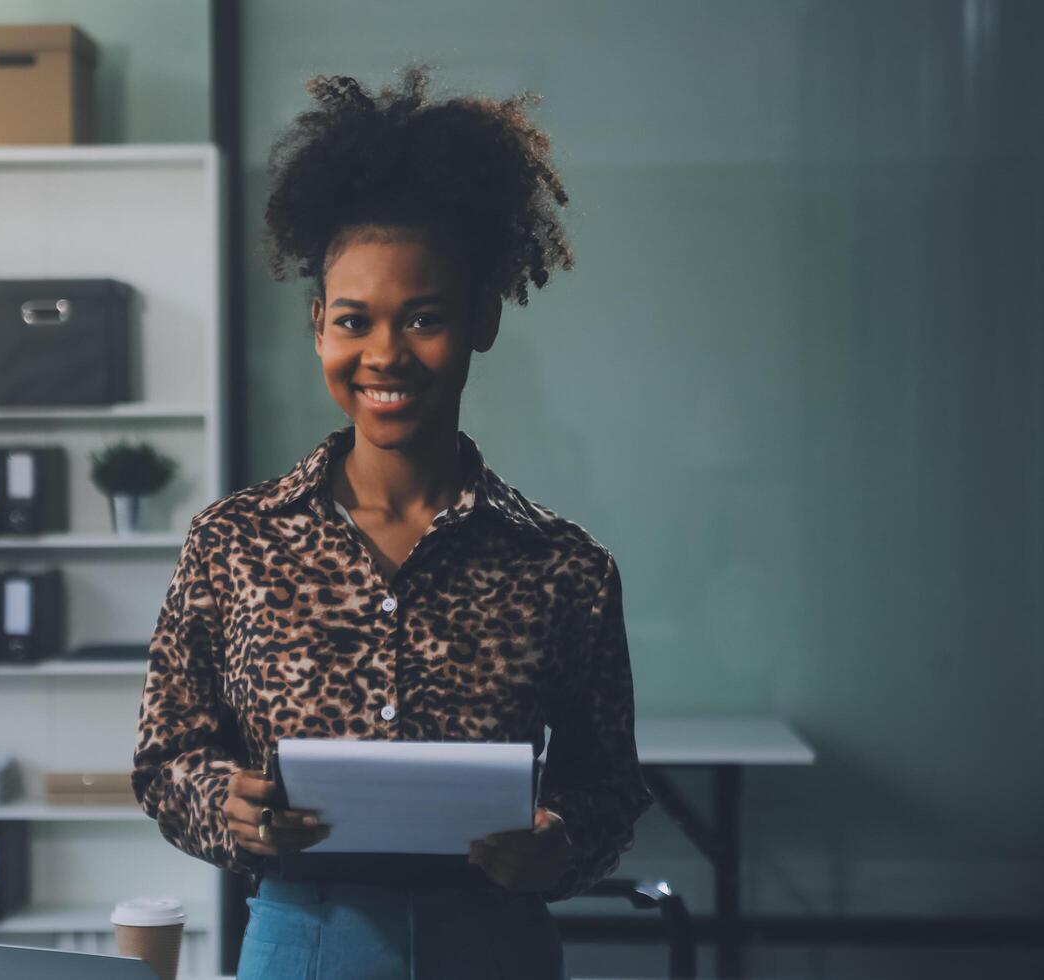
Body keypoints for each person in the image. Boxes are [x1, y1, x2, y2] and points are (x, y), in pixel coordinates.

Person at [132, 66, 651, 980]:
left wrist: (560, 842)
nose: (384, 354)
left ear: (483, 321)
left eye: (423, 319)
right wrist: (230, 807)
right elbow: (168, 754)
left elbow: (609, 784)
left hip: (497, 945)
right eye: (353, 320)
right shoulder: (233, 544)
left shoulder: (565, 567)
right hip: (303, 937)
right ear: (317, 328)